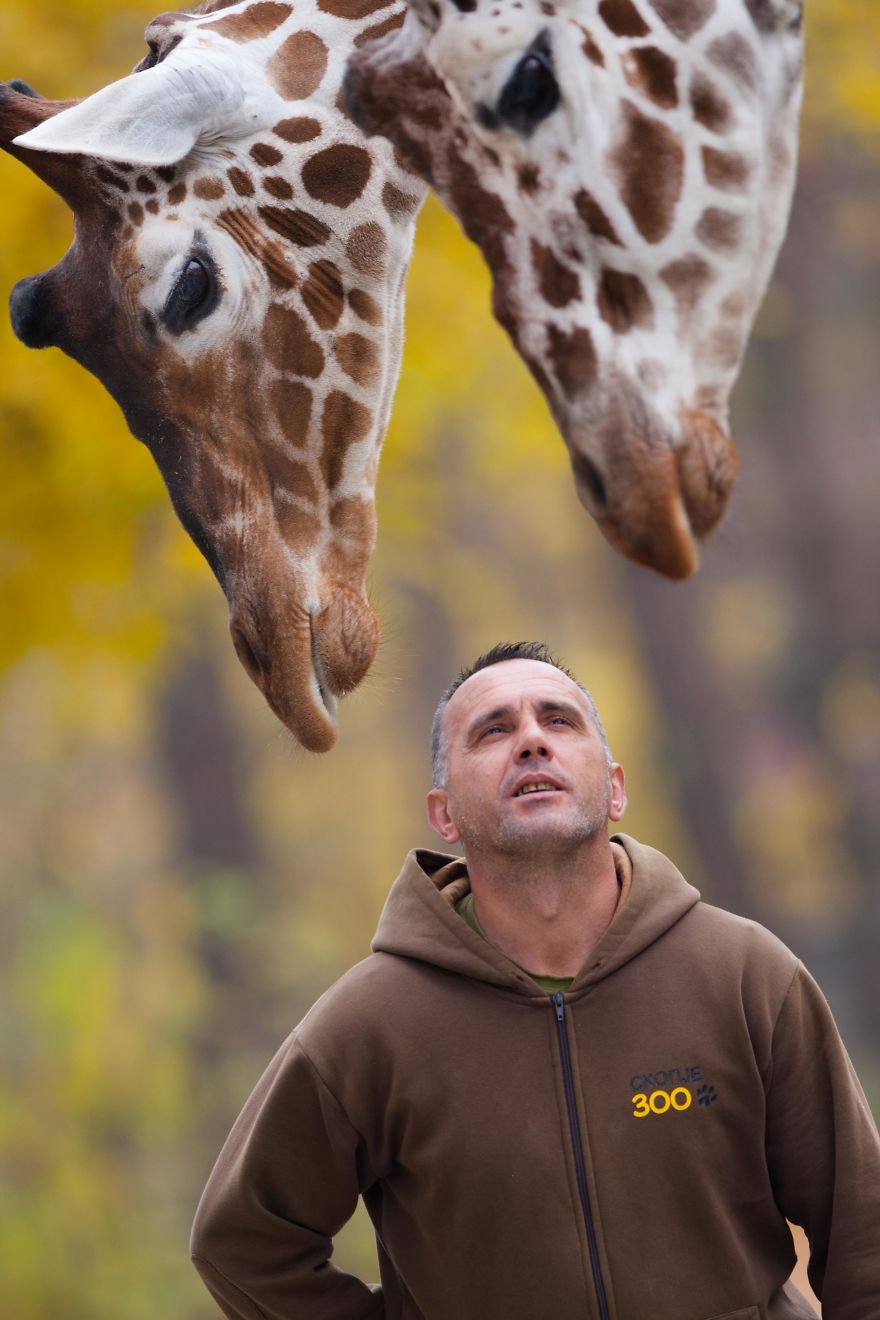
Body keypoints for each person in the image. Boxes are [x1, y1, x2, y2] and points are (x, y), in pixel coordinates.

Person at [190, 641, 880, 1319]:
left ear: (614, 788)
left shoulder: (745, 975)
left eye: (558, 721)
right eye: (492, 731)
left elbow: (863, 1230)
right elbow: (242, 1244)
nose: (530, 742)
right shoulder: (369, 1024)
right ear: (444, 814)